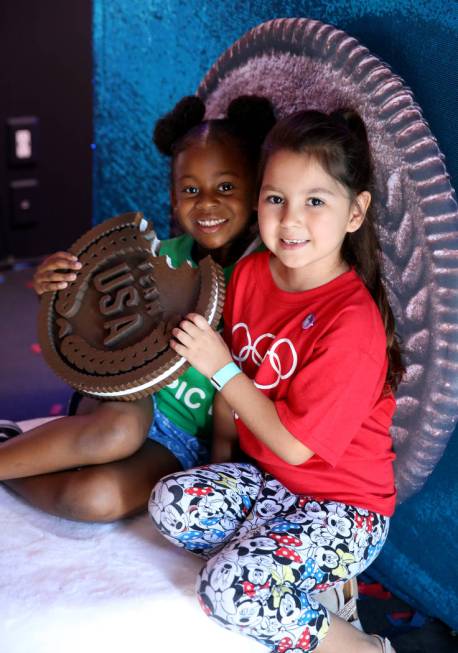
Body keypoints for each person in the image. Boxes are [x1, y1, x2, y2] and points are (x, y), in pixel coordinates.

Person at [150, 109, 404, 653]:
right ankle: (300, 577)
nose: (290, 220)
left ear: (355, 212)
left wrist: (218, 364)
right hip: (273, 489)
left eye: (315, 201)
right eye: (274, 198)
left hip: (345, 509)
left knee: (229, 590)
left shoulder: (351, 323)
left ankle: (362, 647)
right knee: (172, 502)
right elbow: (231, 401)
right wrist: (219, 464)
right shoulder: (249, 273)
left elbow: (290, 444)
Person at [0, 94, 275, 523]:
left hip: (184, 440)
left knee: (95, 499)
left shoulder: (266, 279)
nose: (206, 203)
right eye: (190, 189)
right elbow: (89, 315)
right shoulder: (157, 260)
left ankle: (10, 450)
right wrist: (53, 287)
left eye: (226, 187)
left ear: (258, 189)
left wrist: (222, 464)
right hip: (128, 400)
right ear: (173, 194)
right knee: (118, 433)